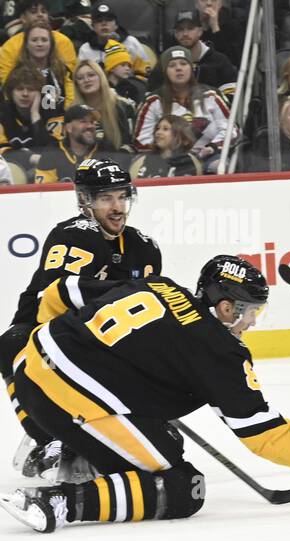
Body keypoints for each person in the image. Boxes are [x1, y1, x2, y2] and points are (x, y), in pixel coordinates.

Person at [0, 253, 290, 533]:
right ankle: (57, 503)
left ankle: (57, 443)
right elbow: (263, 433)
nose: (252, 321)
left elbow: (59, 293)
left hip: (27, 372)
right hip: (71, 402)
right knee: (184, 488)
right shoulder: (219, 351)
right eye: (250, 310)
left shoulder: (158, 285)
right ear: (225, 308)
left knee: (164, 435)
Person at [0, 159, 162, 481]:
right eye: (106, 198)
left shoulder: (145, 249)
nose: (117, 208)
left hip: (104, 339)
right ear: (84, 200)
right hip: (48, 332)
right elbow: (58, 300)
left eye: (121, 197)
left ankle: (113, 432)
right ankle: (47, 437)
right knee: (13, 343)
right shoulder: (74, 235)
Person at [133, 46, 233, 167]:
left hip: (207, 157)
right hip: (165, 160)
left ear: (192, 68)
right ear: (165, 71)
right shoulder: (153, 101)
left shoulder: (211, 96)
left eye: (183, 63)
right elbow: (141, 140)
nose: (178, 68)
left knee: (219, 166)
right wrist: (164, 153)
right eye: (172, 65)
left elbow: (230, 130)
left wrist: (213, 147)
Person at [31, 102, 123, 182]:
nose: (90, 126)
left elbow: (117, 184)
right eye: (83, 121)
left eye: (91, 121)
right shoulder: (52, 152)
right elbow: (43, 192)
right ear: (68, 128)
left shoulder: (106, 149)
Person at [0, 0, 78, 87]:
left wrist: (68, 101)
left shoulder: (63, 42)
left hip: (58, 96)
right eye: (33, 12)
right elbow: (6, 83)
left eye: (43, 11)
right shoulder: (10, 46)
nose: (40, 14)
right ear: (23, 18)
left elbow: (69, 81)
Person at [166, 10, 237, 99]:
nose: (185, 34)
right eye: (180, 29)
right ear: (175, 34)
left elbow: (232, 99)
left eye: (190, 28)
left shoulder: (220, 61)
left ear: (200, 31)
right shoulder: (166, 62)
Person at [71, 59, 135, 152]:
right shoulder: (73, 112)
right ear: (77, 85)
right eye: (80, 78)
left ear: (101, 77)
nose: (86, 80)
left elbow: (131, 145)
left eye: (91, 75)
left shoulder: (123, 106)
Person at [0, 65, 56, 165]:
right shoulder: (3, 114)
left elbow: (54, 151)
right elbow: (2, 152)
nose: (25, 94)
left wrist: (35, 115)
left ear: (39, 93)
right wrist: (31, 158)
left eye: (31, 89)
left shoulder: (51, 113)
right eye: (19, 89)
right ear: (11, 92)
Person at [77, 4, 152, 79]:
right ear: (93, 27)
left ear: (116, 25)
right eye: (99, 21)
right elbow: (80, 77)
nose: (104, 23)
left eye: (108, 20)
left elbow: (144, 73)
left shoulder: (131, 42)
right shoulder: (85, 49)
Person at [17, 22, 74, 110]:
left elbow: (71, 101)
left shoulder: (63, 71)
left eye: (44, 40)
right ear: (26, 45)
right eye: (34, 40)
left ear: (51, 44)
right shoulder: (17, 74)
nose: (39, 44)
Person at [129, 113, 202, 177]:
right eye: (157, 128)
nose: (158, 132)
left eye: (165, 129)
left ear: (181, 135)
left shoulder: (190, 162)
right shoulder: (144, 160)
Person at [194, 0, 244, 67]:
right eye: (204, 0)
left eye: (214, 0)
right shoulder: (189, 25)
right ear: (196, 4)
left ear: (220, 4)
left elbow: (234, 61)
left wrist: (215, 28)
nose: (209, 3)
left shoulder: (233, 27)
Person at [103, 39, 146, 104]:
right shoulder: (102, 87)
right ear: (111, 68)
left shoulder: (131, 88)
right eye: (123, 65)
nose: (127, 69)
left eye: (129, 66)